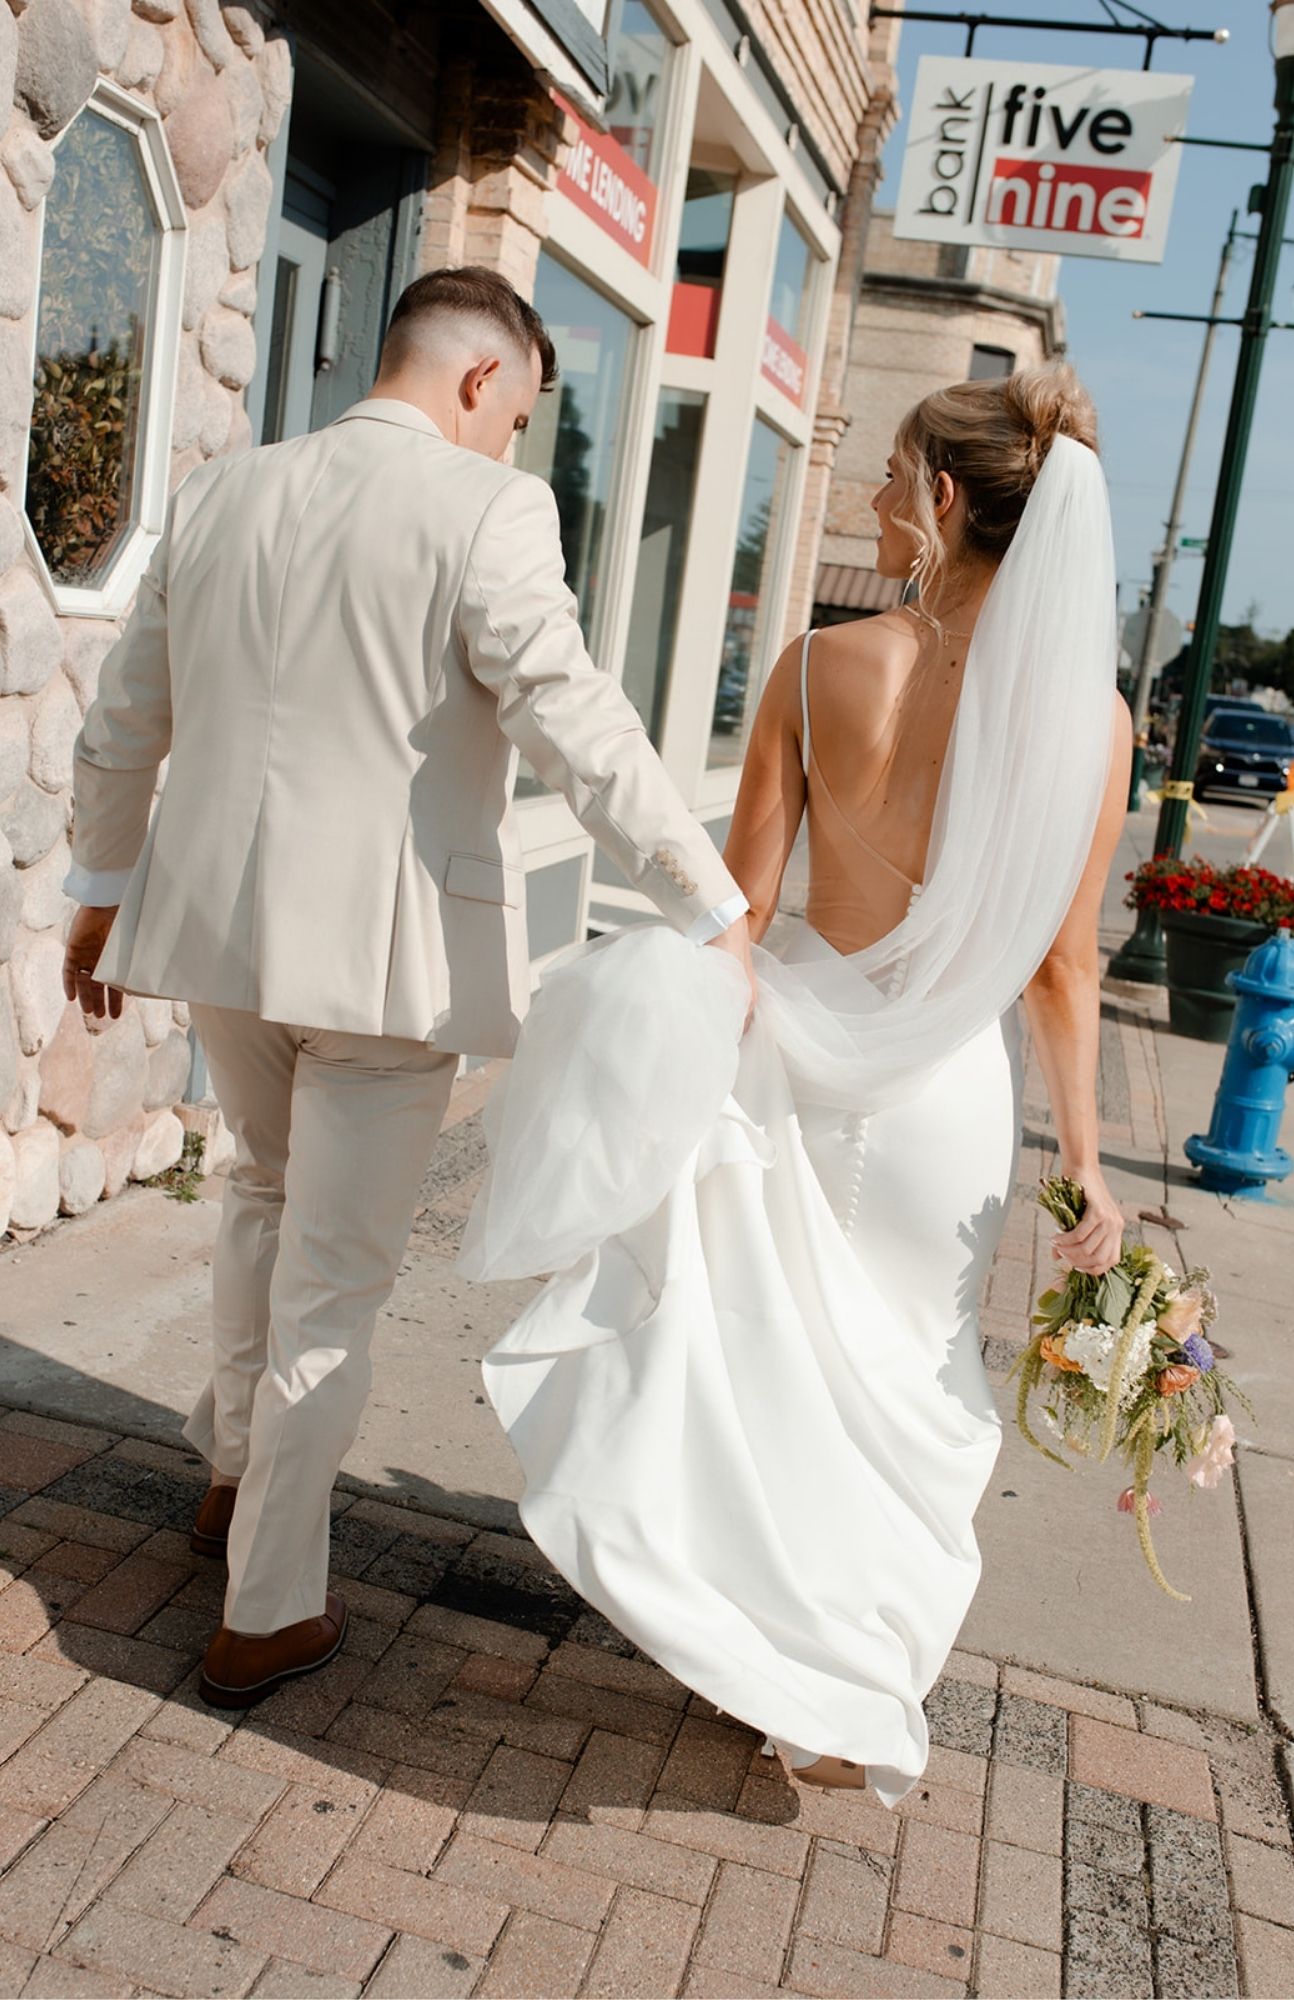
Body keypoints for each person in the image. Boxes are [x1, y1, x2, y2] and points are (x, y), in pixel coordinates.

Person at [60, 266, 753, 1709]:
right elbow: (572, 712)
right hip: (390, 967)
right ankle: (265, 1607)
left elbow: (130, 716)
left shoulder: (225, 493)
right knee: (332, 1288)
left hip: (224, 942)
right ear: (482, 381)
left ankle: (233, 1478)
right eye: (523, 412)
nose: (515, 441)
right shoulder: (487, 508)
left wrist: (101, 894)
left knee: (257, 1192)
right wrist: (712, 898)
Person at [464, 364, 1132, 1801]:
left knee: (760, 1365)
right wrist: (1086, 1162)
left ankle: (760, 1651)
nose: (878, 505)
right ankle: (838, 1691)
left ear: (946, 501)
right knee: (911, 1387)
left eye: (894, 480)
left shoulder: (822, 666)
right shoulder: (1092, 720)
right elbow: (1063, 970)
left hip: (797, 1062)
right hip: (946, 1095)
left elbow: (742, 913)